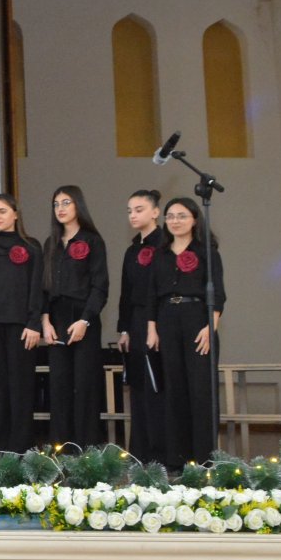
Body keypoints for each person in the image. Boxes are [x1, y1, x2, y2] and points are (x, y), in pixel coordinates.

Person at [144, 197, 226, 468]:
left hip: (197, 319)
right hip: (167, 319)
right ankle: (176, 458)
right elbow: (151, 295)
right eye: (170, 216)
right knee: (173, 388)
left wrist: (209, 328)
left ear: (194, 219)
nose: (175, 221)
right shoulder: (160, 253)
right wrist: (152, 328)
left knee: (201, 390)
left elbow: (219, 295)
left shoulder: (207, 252)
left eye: (181, 216)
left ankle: (204, 457)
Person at [0, 192, 42, 453]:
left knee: (20, 388)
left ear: (15, 214)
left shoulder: (32, 246)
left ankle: (21, 451)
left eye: (2, 211)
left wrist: (34, 322)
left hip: (22, 327)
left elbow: (37, 287)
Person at [42, 185, 109, 448]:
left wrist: (85, 320)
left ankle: (87, 450)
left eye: (66, 202)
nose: (60, 208)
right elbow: (44, 287)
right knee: (59, 387)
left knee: (85, 386)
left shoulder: (93, 240)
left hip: (84, 317)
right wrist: (45, 321)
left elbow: (100, 286)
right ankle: (62, 449)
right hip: (56, 318)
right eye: (56, 204)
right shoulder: (51, 243)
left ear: (78, 205)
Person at [116, 189, 165, 463]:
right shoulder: (131, 250)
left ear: (155, 212)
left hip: (155, 320)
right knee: (137, 386)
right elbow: (126, 292)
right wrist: (123, 329)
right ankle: (140, 451)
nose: (133, 215)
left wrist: (153, 323)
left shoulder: (164, 246)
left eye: (139, 209)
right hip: (134, 321)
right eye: (130, 211)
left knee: (156, 384)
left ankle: (158, 452)